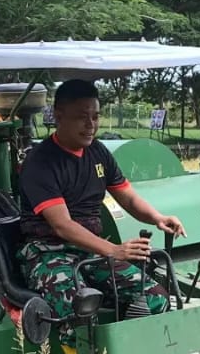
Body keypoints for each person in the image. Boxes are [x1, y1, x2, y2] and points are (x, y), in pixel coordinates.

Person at [16, 79, 185, 339]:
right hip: (48, 254)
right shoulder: (41, 162)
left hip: (90, 251)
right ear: (58, 116)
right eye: (81, 117)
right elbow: (62, 225)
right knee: (79, 310)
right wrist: (113, 250)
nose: (91, 125)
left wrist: (157, 218)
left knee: (155, 297)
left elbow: (128, 198)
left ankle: (130, 351)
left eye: (95, 117)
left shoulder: (98, 152)